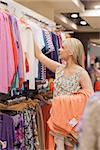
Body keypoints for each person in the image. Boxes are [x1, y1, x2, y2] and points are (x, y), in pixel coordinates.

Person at [34, 37, 94, 150]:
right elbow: (39, 55)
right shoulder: (59, 69)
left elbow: (90, 99)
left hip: (72, 122)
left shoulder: (82, 73)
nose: (59, 50)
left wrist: (65, 101)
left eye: (63, 47)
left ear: (71, 52)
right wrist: (29, 30)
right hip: (57, 118)